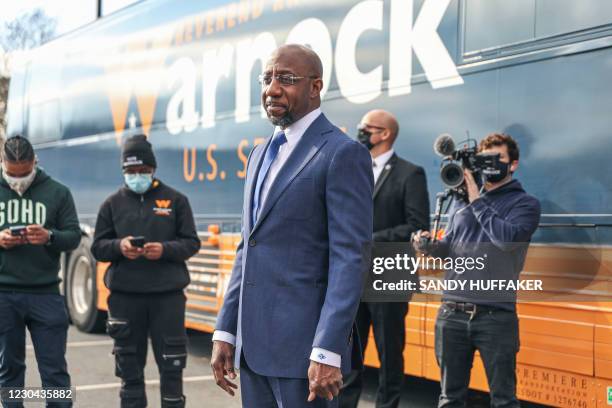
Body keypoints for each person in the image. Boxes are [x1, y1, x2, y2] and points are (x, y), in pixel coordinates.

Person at [210, 44, 373, 408]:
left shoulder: (342, 153)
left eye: (286, 79)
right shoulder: (258, 155)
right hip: (253, 350)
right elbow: (247, 249)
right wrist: (225, 330)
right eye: (266, 78)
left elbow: (350, 259)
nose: (272, 89)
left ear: (315, 87)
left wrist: (328, 349)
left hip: (305, 355)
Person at [413, 133, 541, 408]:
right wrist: (427, 245)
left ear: (514, 164)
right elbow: (450, 248)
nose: (491, 165)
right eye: (486, 160)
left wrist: (475, 198)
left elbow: (506, 241)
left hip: (496, 318)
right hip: (451, 313)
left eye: (499, 159)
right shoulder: (461, 203)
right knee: (450, 399)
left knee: (504, 400)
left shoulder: (525, 204)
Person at [91, 134, 200, 408]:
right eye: (131, 171)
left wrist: (164, 250)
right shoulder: (111, 204)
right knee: (129, 373)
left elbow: (191, 243)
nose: (137, 176)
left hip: (168, 298)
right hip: (125, 299)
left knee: (172, 370)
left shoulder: (176, 201)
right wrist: (119, 246)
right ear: (123, 171)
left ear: (153, 169)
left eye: (142, 171)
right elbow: (97, 247)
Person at [340, 110, 430, 408]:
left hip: (390, 275)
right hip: (354, 275)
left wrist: (373, 238)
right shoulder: (352, 169)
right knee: (350, 353)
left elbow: (417, 225)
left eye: (366, 128)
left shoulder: (410, 173)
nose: (360, 132)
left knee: (389, 353)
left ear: (385, 134)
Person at [0, 135, 81, 408]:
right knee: (9, 372)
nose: (18, 181)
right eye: (12, 174)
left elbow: (73, 236)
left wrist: (49, 236)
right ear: (2, 163)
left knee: (55, 373)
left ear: (35, 162)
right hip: (4, 293)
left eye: (24, 174)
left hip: (45, 292)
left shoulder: (58, 192)